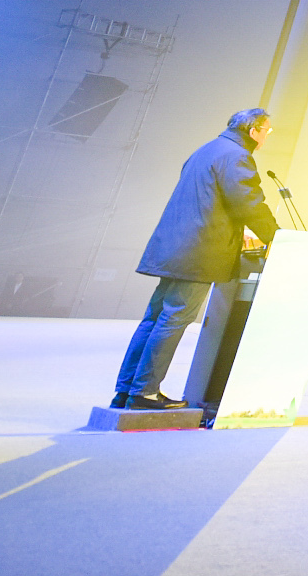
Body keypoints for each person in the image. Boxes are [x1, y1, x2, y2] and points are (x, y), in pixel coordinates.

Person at [109, 109, 280, 410]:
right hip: (197, 253)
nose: (267, 137)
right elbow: (249, 203)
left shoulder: (207, 150)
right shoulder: (237, 156)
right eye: (267, 130)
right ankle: (145, 393)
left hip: (175, 247)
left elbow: (208, 203)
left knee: (154, 318)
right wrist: (277, 238)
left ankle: (126, 391)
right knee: (173, 319)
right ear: (253, 131)